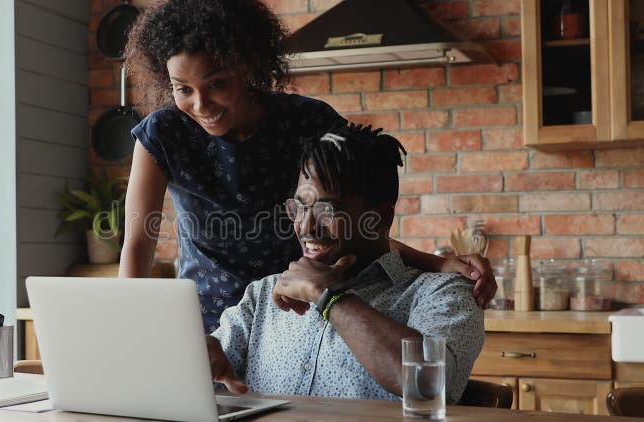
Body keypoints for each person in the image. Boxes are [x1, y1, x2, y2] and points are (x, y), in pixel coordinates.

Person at [120, 0, 495, 332]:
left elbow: (358, 225)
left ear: (246, 64)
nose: (201, 104)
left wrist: (437, 263)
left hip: (299, 316)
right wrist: (127, 327)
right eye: (182, 89)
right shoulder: (163, 132)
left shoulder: (307, 122)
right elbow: (137, 244)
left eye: (216, 83)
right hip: (205, 325)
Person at [207, 123, 484, 403]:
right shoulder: (264, 296)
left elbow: (429, 384)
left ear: (381, 218)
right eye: (300, 207)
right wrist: (198, 358)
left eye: (328, 210)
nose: (306, 225)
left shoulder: (441, 293)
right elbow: (208, 372)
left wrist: (329, 297)